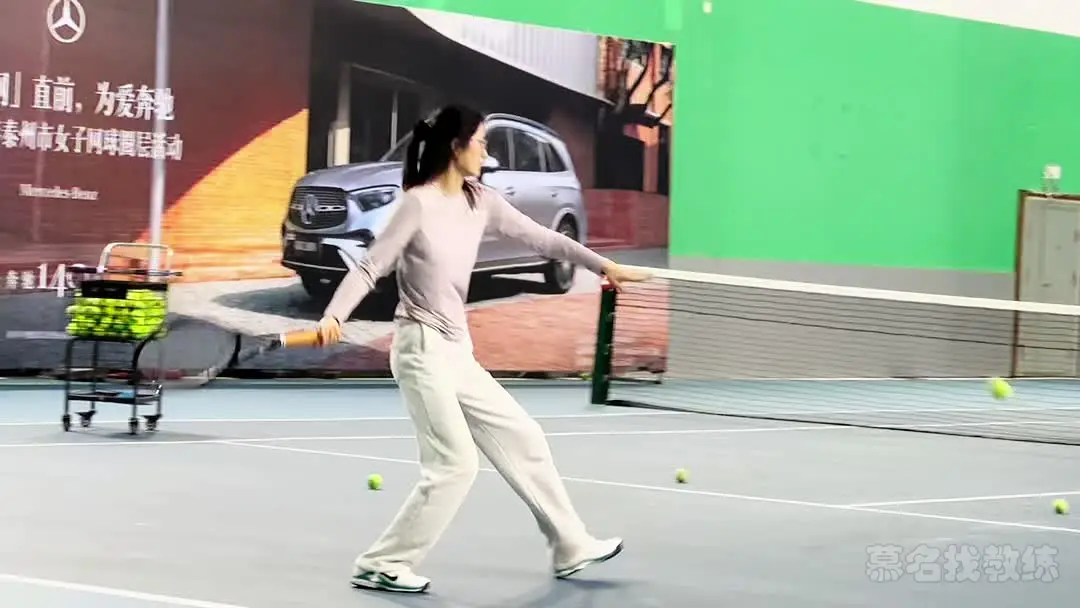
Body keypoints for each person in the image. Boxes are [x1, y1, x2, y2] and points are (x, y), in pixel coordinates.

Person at [315, 104, 651, 594]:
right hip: (421, 349)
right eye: (481, 142)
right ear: (457, 147)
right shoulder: (418, 203)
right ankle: (381, 563)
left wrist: (604, 266)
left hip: (457, 351)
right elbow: (371, 266)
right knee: (454, 465)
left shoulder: (481, 201)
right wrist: (335, 315)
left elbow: (544, 239)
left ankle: (570, 545)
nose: (487, 152)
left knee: (525, 437)